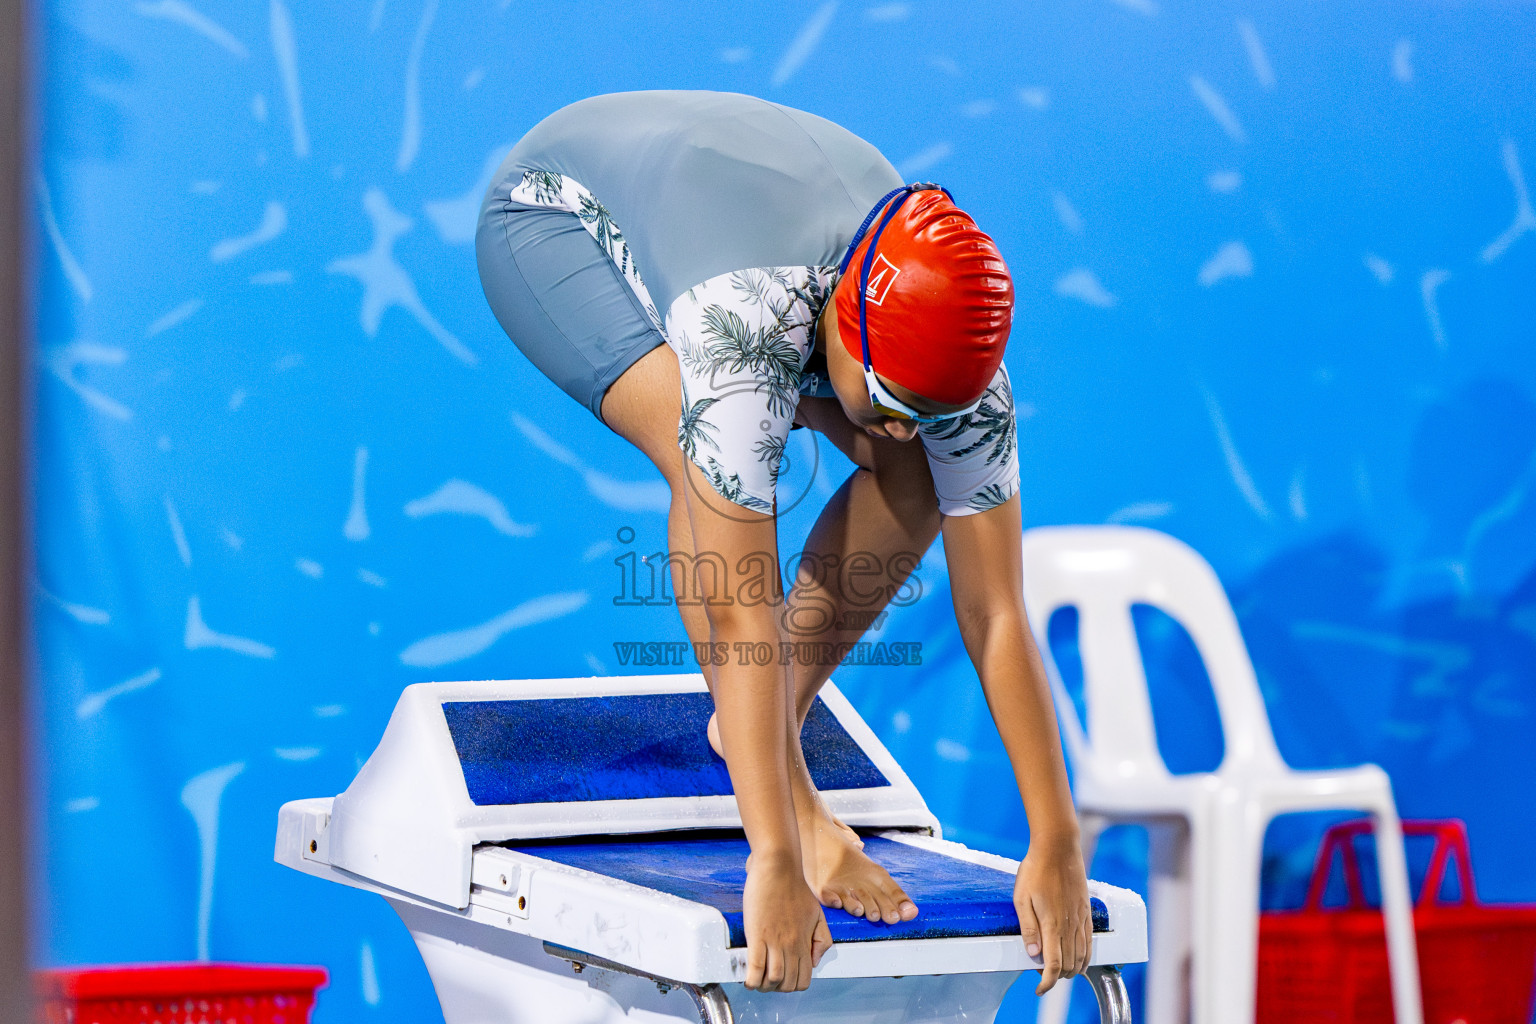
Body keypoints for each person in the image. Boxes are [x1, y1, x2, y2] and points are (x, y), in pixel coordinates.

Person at [476, 90, 1090, 996]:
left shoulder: (965, 365)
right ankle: (787, 795)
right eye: (883, 405)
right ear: (841, 330)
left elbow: (996, 611)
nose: (892, 427)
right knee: (702, 468)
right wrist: (776, 855)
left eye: (927, 411)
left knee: (918, 473)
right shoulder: (743, 327)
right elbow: (740, 605)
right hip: (552, 220)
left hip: (756, 240)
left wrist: (1057, 838)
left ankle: (750, 730)